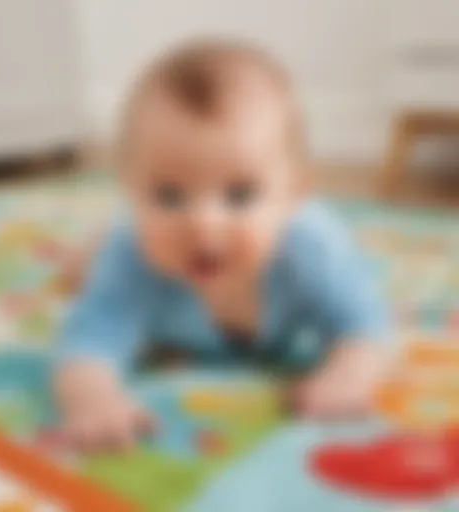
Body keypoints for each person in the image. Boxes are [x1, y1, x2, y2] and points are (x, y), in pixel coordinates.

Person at [54, 39, 394, 451]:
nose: (203, 223)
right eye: (169, 196)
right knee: (90, 270)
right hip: (124, 249)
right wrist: (92, 398)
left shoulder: (312, 247)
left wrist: (347, 375)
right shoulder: (133, 252)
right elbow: (88, 340)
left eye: (239, 195)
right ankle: (90, 248)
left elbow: (364, 325)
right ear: (130, 191)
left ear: (294, 195)